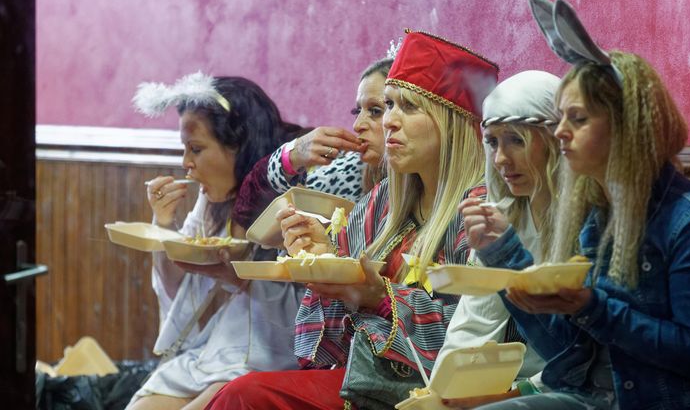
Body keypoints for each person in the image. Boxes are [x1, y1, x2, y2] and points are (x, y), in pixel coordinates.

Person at [473, 0, 690, 410]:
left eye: (577, 119)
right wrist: (506, 258)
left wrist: (592, 307)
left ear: (627, 126)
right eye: (560, 119)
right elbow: (569, 355)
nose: (560, 133)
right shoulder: (599, 219)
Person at [206, 29, 499, 409]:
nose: (389, 122)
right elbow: (329, 351)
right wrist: (324, 257)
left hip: (426, 396)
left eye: (407, 107)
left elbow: (476, 340)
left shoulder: (479, 211)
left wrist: (379, 296)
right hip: (363, 382)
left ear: (453, 123)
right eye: (388, 106)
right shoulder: (382, 204)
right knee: (239, 392)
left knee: (246, 395)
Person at [127, 73, 307, 410]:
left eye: (196, 149)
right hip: (219, 348)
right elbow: (178, 290)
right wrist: (163, 223)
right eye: (184, 149)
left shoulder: (292, 193)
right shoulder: (212, 199)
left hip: (275, 352)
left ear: (239, 146)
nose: (186, 164)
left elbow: (313, 298)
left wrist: (238, 276)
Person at [433, 70, 562, 408]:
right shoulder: (500, 219)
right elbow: (475, 322)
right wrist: (439, 393)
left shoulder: (590, 223)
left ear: (555, 140)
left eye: (516, 140)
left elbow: (589, 355)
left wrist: (510, 396)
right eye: (492, 142)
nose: (501, 159)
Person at [231, 58, 393, 232]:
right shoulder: (346, 171)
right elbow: (246, 213)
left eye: (375, 111)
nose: (357, 125)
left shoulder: (422, 194)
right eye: (357, 111)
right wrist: (291, 156)